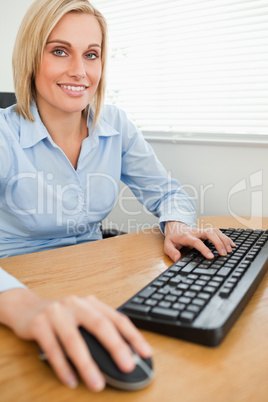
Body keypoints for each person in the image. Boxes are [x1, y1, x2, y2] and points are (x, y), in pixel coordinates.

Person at [0, 0, 235, 393]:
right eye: (60, 51)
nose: (80, 70)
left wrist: (175, 223)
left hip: (95, 278)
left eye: (91, 55)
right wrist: (24, 307)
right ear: (30, 57)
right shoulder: (5, 136)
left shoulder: (116, 125)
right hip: (18, 285)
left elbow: (167, 191)